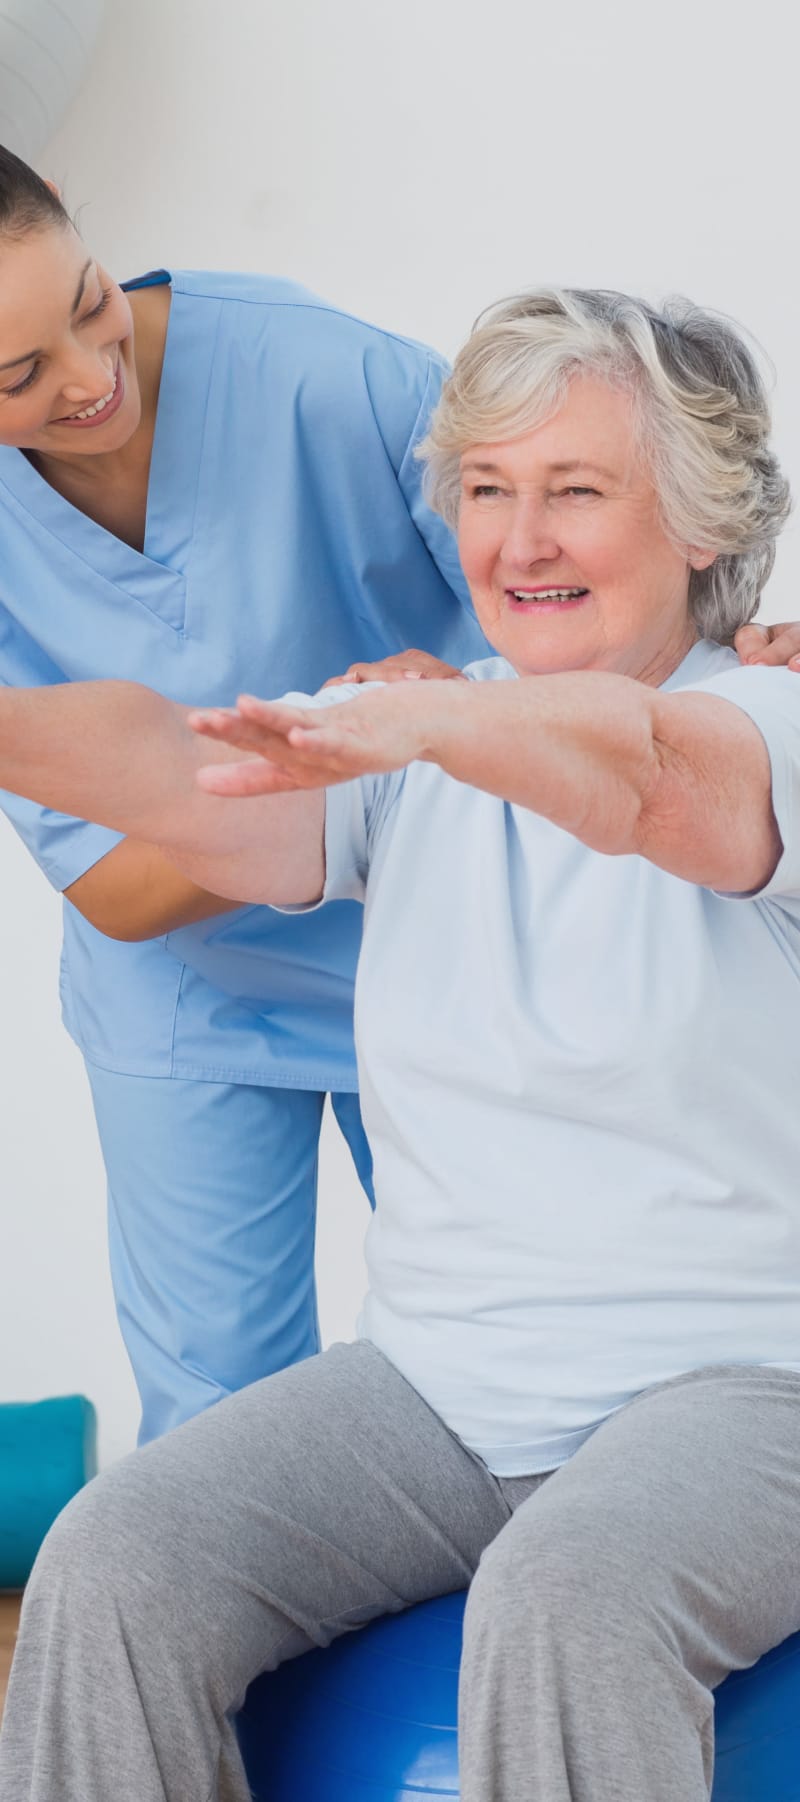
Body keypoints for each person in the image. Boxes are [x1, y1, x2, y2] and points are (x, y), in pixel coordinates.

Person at [1, 285, 800, 1802]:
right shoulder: (418, 732)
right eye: (488, 492)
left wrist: (438, 726)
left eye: (577, 491)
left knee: (572, 1595)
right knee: (117, 1557)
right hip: (442, 1391)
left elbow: (645, 783)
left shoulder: (763, 715)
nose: (517, 540)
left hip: (754, 1387)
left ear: (701, 525)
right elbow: (170, 773)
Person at [0, 142, 495, 1442]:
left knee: (513, 1364)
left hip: (437, 942)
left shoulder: (325, 377)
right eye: (19, 376)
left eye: (89, 303)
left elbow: (567, 606)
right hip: (189, 994)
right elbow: (111, 885)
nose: (92, 379)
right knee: (224, 1416)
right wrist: (342, 760)